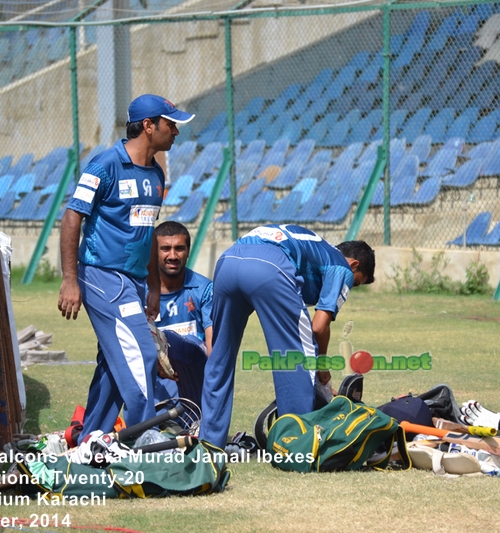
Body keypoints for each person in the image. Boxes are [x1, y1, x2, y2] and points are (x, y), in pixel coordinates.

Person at [57, 94, 194, 442]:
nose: (176, 131)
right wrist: (70, 280)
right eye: (171, 123)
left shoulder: (157, 174)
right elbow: (73, 217)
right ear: (149, 126)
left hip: (133, 282)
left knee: (113, 363)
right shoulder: (104, 165)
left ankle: (90, 439)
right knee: (143, 354)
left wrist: (152, 284)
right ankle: (143, 437)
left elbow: (146, 232)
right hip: (102, 276)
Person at [199, 224, 375, 447]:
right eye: (356, 282)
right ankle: (295, 444)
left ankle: (209, 443)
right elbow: (319, 327)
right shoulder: (341, 266)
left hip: (228, 261)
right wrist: (322, 371)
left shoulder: (317, 248)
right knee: (296, 356)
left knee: (219, 358)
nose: (351, 286)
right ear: (354, 264)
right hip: (269, 266)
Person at [152, 220, 212, 408]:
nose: (172, 255)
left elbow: (213, 344)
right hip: (156, 375)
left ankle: (201, 412)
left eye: (179, 248)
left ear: (188, 251)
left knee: (191, 343)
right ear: (153, 252)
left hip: (195, 374)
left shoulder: (204, 289)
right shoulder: (140, 291)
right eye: (165, 249)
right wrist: (156, 363)